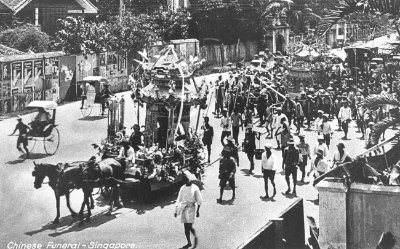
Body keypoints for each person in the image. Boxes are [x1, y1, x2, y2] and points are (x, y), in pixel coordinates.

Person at [175, 172, 203, 249]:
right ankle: (189, 242)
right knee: (185, 228)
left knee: (189, 227)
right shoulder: (182, 188)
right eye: (184, 181)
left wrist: (198, 211)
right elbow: (179, 198)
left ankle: (195, 236)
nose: (185, 182)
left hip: (191, 208)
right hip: (184, 208)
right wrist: (176, 210)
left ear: (189, 180)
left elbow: (199, 200)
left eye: (186, 180)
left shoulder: (195, 188)